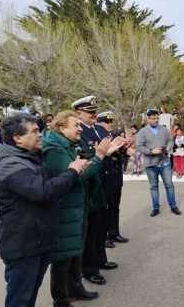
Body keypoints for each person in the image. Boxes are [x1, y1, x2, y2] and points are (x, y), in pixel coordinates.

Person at [0, 113, 89, 307]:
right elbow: (43, 191)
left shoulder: (30, 158)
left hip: (38, 239)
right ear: (17, 137)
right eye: (35, 131)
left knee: (29, 295)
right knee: (20, 299)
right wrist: (71, 170)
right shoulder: (10, 164)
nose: (40, 135)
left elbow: (54, 186)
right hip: (23, 243)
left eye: (40, 130)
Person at [42, 110, 123, 305]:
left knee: (76, 250)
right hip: (65, 209)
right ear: (62, 128)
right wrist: (100, 156)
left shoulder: (71, 145)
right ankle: (61, 298)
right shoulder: (54, 150)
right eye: (76, 125)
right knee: (63, 256)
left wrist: (102, 155)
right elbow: (76, 177)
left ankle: (76, 288)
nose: (80, 129)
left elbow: (83, 167)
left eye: (80, 125)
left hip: (78, 207)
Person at [72, 96, 123, 286]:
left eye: (95, 111)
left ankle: (100, 258)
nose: (94, 114)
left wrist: (122, 149)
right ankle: (89, 268)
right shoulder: (79, 132)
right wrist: (103, 153)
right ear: (79, 113)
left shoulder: (99, 129)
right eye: (89, 111)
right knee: (91, 229)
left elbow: (112, 151)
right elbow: (84, 157)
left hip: (106, 183)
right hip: (93, 184)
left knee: (102, 226)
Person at [136, 108, 182, 217]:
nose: (156, 120)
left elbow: (170, 140)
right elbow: (139, 146)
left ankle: (173, 206)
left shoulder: (164, 130)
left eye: (157, 118)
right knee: (154, 186)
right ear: (148, 119)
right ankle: (156, 207)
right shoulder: (142, 132)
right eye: (153, 118)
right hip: (151, 164)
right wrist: (151, 151)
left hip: (165, 162)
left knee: (169, 185)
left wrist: (168, 148)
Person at [96, 111, 132, 246]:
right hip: (106, 176)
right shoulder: (99, 137)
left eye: (111, 122)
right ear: (99, 123)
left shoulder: (115, 136)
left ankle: (114, 232)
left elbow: (120, 154)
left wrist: (125, 150)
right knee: (105, 208)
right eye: (107, 122)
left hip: (116, 176)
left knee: (115, 207)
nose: (110, 124)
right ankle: (104, 236)